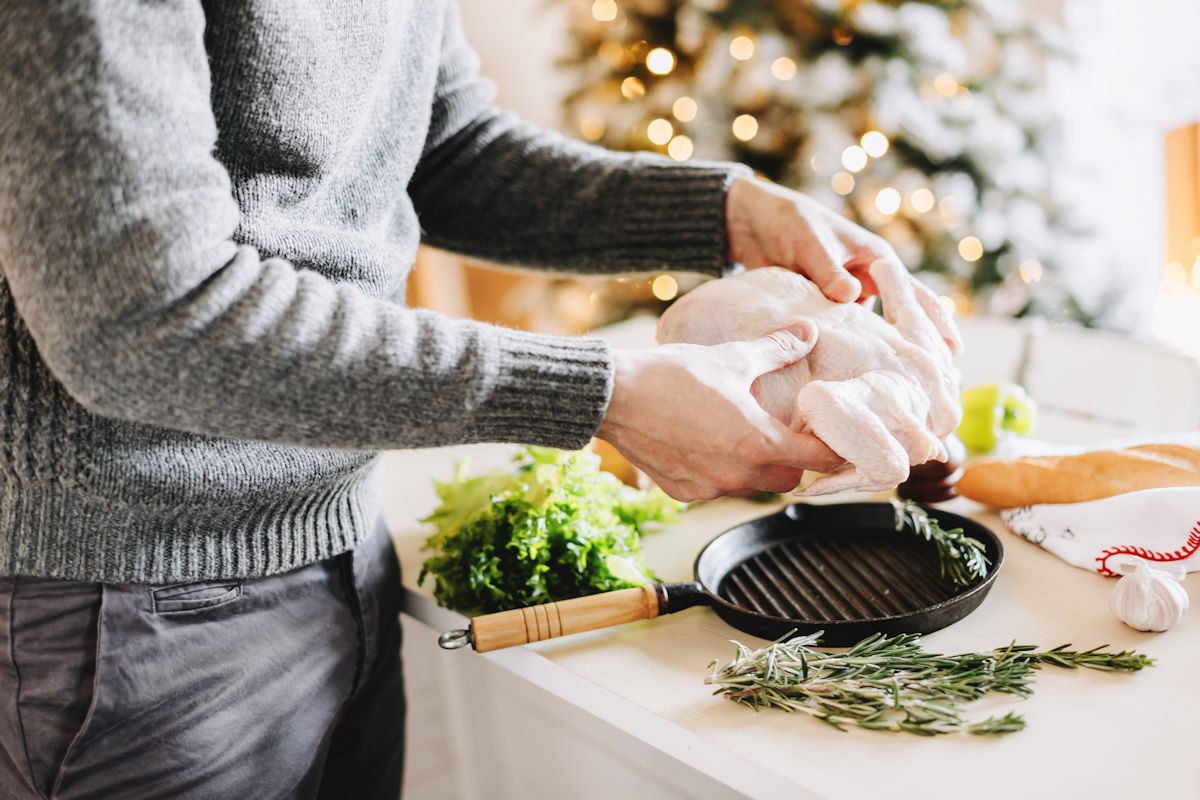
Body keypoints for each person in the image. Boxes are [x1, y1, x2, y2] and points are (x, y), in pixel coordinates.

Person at [0, 1, 961, 798]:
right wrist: (600, 392)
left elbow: (444, 143)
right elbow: (139, 313)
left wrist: (721, 209)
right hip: (122, 612)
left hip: (335, 543)